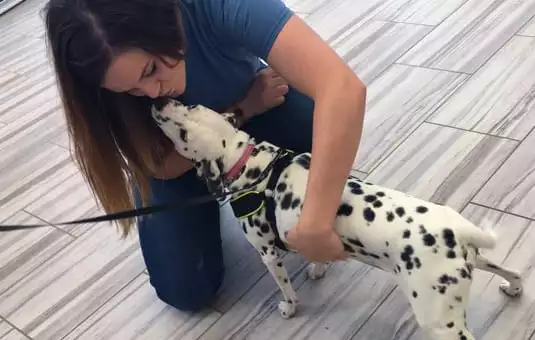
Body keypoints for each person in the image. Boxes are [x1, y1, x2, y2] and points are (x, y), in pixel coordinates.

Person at [43, 0, 367, 312]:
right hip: (191, 146)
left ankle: (250, 179)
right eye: (131, 91)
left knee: (317, 127)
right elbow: (163, 166)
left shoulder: (217, 6)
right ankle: (216, 186)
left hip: (257, 111)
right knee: (187, 289)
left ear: (165, 18)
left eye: (151, 70)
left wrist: (316, 218)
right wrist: (242, 109)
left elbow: (342, 88)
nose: (153, 93)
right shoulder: (96, 67)